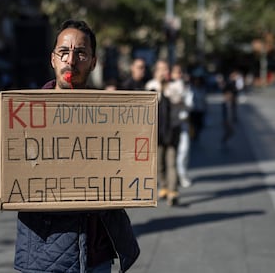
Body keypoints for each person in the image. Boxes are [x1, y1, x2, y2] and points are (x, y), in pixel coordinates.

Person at [14, 19, 140, 273]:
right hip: (47, 255)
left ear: (93, 62)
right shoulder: (25, 117)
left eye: (81, 53)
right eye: (64, 52)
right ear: (53, 59)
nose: (71, 60)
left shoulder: (110, 114)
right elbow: (15, 177)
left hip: (98, 256)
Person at [145, 60, 181, 206]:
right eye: (160, 69)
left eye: (165, 69)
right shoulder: (151, 85)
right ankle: (164, 187)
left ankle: (173, 192)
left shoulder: (176, 85)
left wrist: (166, 87)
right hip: (157, 131)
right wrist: (159, 86)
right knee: (159, 163)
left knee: (171, 162)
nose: (163, 72)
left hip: (172, 129)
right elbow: (149, 102)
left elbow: (178, 99)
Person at [168, 63, 193, 188]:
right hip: (171, 124)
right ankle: (173, 177)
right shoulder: (168, 86)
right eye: (176, 72)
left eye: (180, 72)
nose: (179, 74)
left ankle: (182, 175)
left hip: (183, 123)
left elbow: (190, 105)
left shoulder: (186, 87)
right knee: (172, 152)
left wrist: (182, 99)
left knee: (184, 150)